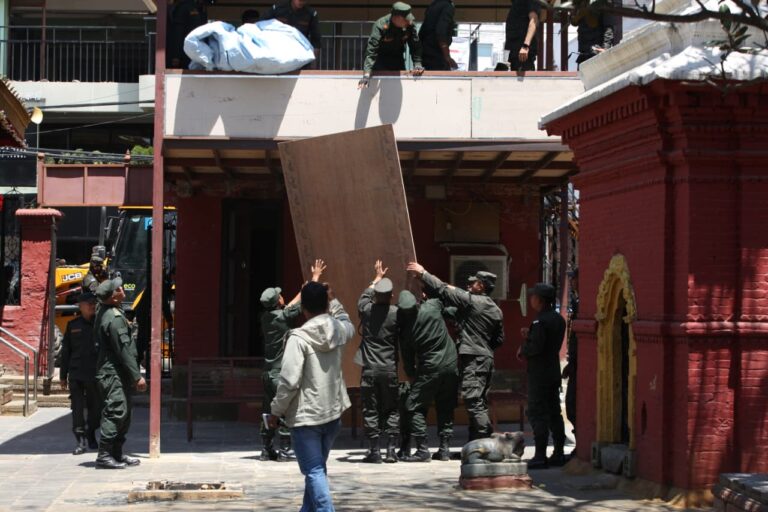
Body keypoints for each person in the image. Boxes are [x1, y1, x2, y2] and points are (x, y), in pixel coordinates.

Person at [268, 281, 354, 512]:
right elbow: (348, 324)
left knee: (314, 471)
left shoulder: (298, 339)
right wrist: (334, 301)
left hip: (307, 417)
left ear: (303, 309)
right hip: (332, 413)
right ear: (326, 305)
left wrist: (276, 411)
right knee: (317, 469)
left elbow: (289, 382)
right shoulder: (338, 329)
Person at [406, 263, 504, 441]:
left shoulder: (471, 301)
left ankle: (489, 440)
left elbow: (444, 289)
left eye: (473, 283)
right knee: (479, 402)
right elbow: (498, 339)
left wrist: (423, 273)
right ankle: (476, 446)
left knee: (473, 401)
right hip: (486, 359)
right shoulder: (495, 309)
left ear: (481, 286)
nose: (469, 285)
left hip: (474, 360)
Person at [259, 259, 326, 462]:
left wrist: (303, 288)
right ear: (277, 301)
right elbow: (300, 304)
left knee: (268, 410)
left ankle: (266, 448)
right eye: (280, 295)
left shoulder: (267, 317)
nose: (282, 296)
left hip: (267, 373)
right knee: (287, 408)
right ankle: (286, 449)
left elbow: (290, 306)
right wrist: (315, 278)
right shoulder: (283, 317)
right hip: (279, 374)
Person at [397, 289, 459, 462]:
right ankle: (444, 449)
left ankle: (422, 450)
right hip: (451, 363)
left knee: (413, 405)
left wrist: (412, 377)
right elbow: (445, 299)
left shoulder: (406, 330)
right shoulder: (432, 306)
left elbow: (408, 360)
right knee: (445, 405)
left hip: (430, 368)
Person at [94, 277, 147, 469]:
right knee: (116, 411)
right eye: (119, 288)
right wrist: (137, 376)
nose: (123, 290)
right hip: (113, 373)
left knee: (124, 413)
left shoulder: (109, 311)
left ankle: (116, 453)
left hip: (117, 372)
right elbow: (123, 350)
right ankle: (104, 455)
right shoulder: (114, 318)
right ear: (113, 296)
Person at [517, 282, 567, 469]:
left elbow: (537, 347)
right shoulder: (558, 319)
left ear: (539, 300)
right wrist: (529, 335)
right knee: (554, 412)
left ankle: (540, 455)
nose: (531, 299)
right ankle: (559, 452)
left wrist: (523, 349)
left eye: (533, 296)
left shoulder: (540, 321)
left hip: (539, 374)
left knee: (537, 412)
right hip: (552, 371)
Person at [357, 260, 401, 463]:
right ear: (392, 296)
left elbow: (364, 297)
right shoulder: (396, 313)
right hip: (389, 368)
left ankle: (374, 451)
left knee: (370, 409)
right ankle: (391, 450)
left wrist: (377, 277)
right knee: (392, 408)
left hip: (369, 369)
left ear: (375, 295)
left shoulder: (367, 310)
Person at [60, 291, 102, 455]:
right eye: (89, 303)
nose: (92, 306)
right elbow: (66, 351)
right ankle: (80, 440)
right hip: (76, 374)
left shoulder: (100, 324)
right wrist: (63, 375)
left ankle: (91, 433)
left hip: (94, 374)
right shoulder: (73, 325)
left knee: (95, 409)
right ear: (81, 306)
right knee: (77, 409)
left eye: (94, 303)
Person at [358, 2, 424, 89]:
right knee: (382, 85)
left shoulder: (409, 25)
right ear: (396, 18)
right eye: (406, 19)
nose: (409, 21)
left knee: (398, 86)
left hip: (397, 58)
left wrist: (417, 64)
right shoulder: (381, 25)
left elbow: (415, 46)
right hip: (379, 59)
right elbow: (371, 51)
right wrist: (366, 75)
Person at [563, 267, 579, 454]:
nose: (572, 282)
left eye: (574, 278)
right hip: (575, 363)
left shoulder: (583, 304)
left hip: (581, 365)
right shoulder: (576, 302)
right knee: (571, 405)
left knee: (575, 404)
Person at [167, 0, 209, 69]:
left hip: (199, 51)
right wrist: (176, 55)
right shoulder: (184, 7)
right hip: (185, 53)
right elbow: (178, 32)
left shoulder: (200, 7)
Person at [419, 0, 457, 71]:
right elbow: (441, 32)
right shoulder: (447, 6)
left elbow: (421, 33)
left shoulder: (432, 6)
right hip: (437, 56)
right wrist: (447, 57)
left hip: (426, 56)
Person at [504, 0, 540, 72]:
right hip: (515, 52)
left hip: (523, 53)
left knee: (523, 77)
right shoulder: (517, 3)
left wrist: (525, 46)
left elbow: (534, 21)